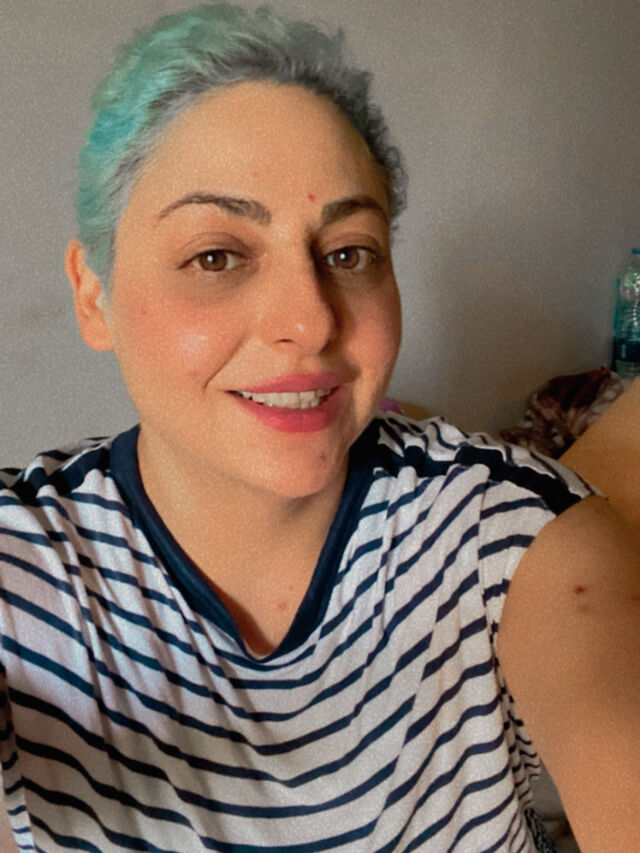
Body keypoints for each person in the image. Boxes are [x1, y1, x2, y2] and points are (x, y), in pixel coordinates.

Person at [0, 4, 637, 851]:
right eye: (217, 255)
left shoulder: (511, 532)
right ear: (94, 294)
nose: (310, 322)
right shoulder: (24, 569)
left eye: (348, 253)